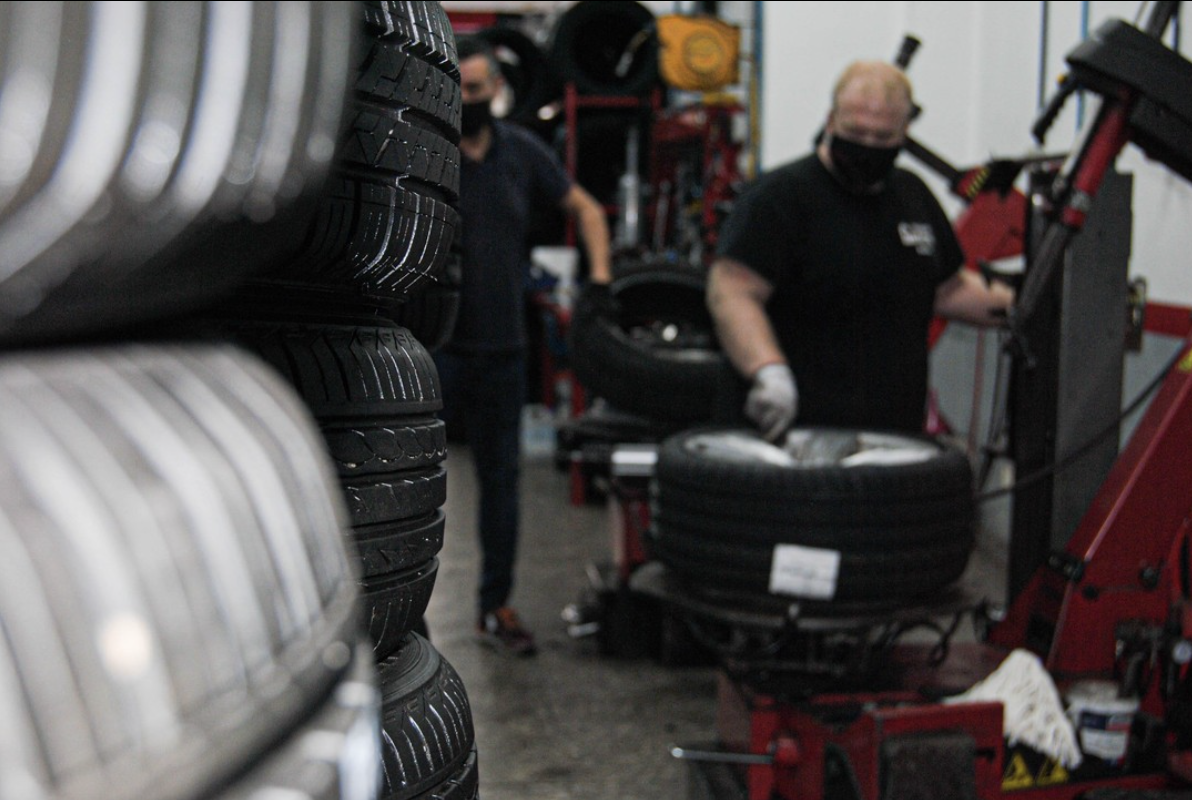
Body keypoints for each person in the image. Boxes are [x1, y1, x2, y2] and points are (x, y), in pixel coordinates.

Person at [707, 60, 1014, 441]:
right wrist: (768, 372)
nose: (867, 148)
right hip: (791, 433)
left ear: (904, 132)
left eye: (882, 139)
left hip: (890, 434)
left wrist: (1024, 306)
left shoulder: (912, 196)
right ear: (831, 120)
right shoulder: (780, 197)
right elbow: (732, 291)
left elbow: (946, 288)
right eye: (855, 133)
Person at [437, 36, 613, 655]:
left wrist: (598, 282)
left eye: (478, 89)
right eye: (459, 88)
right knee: (413, 484)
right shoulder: (427, 155)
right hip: (435, 350)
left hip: (502, 350)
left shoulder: (521, 153)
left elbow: (587, 210)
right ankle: (400, 621)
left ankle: (495, 607)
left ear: (496, 91)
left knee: (501, 487)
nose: (469, 99)